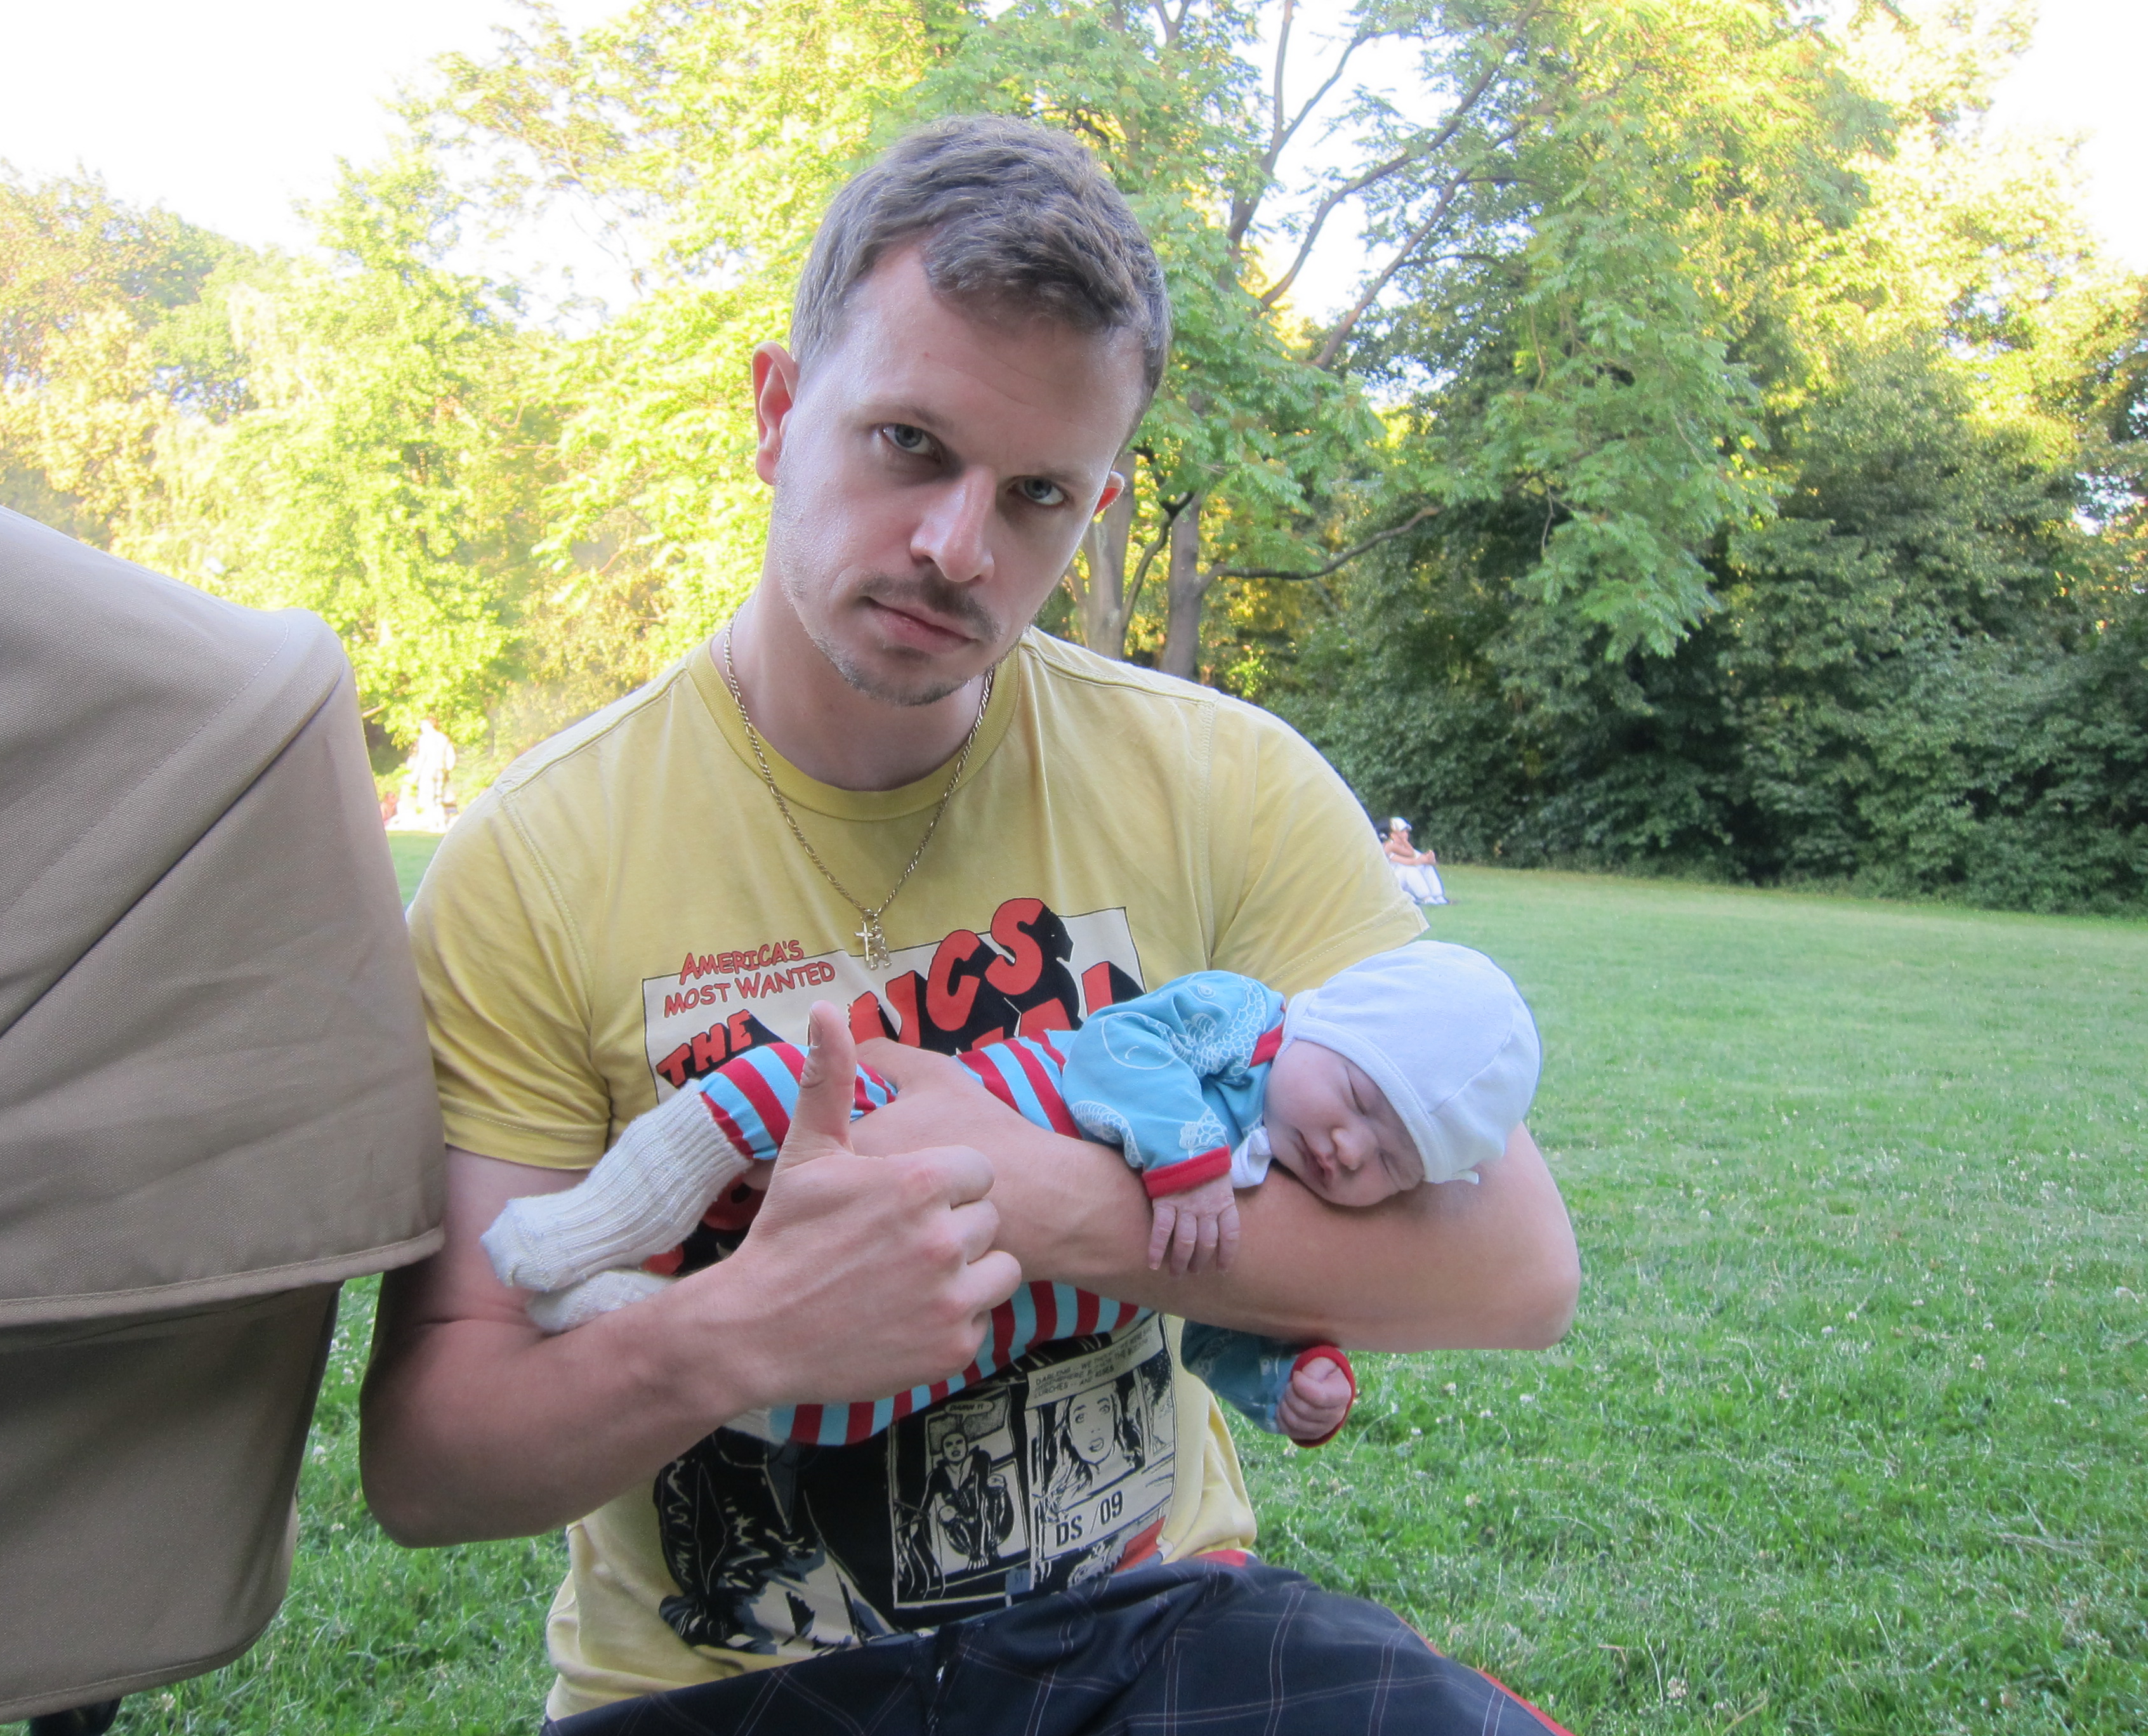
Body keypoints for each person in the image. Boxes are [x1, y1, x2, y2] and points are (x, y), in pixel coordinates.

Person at [358, 116, 1580, 1733]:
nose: (957, 547)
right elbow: (429, 1456)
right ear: (777, 412)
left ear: (1097, 505)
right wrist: (735, 1333)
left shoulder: (1223, 781)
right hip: (733, 1690)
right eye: (909, 444)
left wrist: (1049, 1199)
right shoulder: (538, 855)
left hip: (1154, 1637)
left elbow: (1516, 1267)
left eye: (1037, 494)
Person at [483, 939, 1542, 1449]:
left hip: (982, 1304)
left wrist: (1294, 1379)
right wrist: (1182, 1160)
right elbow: (1116, 1045)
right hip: (938, 1109)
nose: (1350, 1150)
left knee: (841, 1404)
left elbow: (1225, 1321)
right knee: (784, 1081)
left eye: (1392, 1160)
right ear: (1322, 1024)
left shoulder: (1301, 1190)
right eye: (1356, 1099)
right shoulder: (1245, 1024)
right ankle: (605, 1220)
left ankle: (629, 1315)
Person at [1386, 816, 1450, 905]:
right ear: (1392, 835)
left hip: (1402, 884)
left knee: (1427, 866)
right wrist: (1421, 860)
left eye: (1406, 832)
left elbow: (1422, 859)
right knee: (1409, 870)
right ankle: (1426, 898)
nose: (1406, 835)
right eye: (1402, 832)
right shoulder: (1388, 848)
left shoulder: (1406, 847)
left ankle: (1438, 897)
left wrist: (1431, 860)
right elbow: (1408, 862)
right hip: (1391, 886)